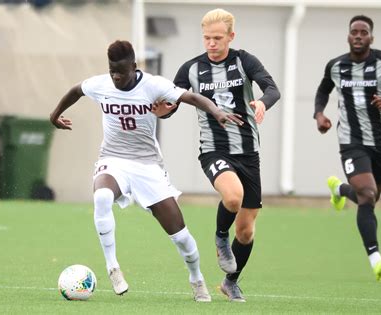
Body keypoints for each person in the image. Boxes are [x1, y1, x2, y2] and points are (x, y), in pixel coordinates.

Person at [49, 40, 243, 302]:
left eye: (121, 71)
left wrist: (217, 111)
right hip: (114, 160)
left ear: (134, 66)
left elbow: (191, 97)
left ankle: (196, 278)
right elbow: (76, 90)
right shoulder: (101, 85)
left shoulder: (153, 85)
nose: (116, 76)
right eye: (112, 71)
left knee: (181, 237)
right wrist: (54, 115)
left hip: (147, 166)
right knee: (102, 197)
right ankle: (113, 267)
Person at [172, 8, 280, 302]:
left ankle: (230, 282)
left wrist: (262, 103)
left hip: (248, 153)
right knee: (232, 197)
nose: (211, 43)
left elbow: (272, 88)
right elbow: (170, 100)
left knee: (245, 232)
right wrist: (162, 108)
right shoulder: (191, 69)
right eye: (207, 38)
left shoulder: (245, 61)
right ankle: (221, 237)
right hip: (214, 150)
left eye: (218, 38)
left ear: (231, 36)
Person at [313, 15, 381, 281]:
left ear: (371, 38)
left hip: (380, 142)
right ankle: (376, 259)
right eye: (354, 32)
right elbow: (323, 90)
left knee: (369, 197)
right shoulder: (336, 66)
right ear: (348, 36)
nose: (358, 36)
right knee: (367, 195)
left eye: (363, 32)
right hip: (350, 140)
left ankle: (340, 190)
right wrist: (319, 114)